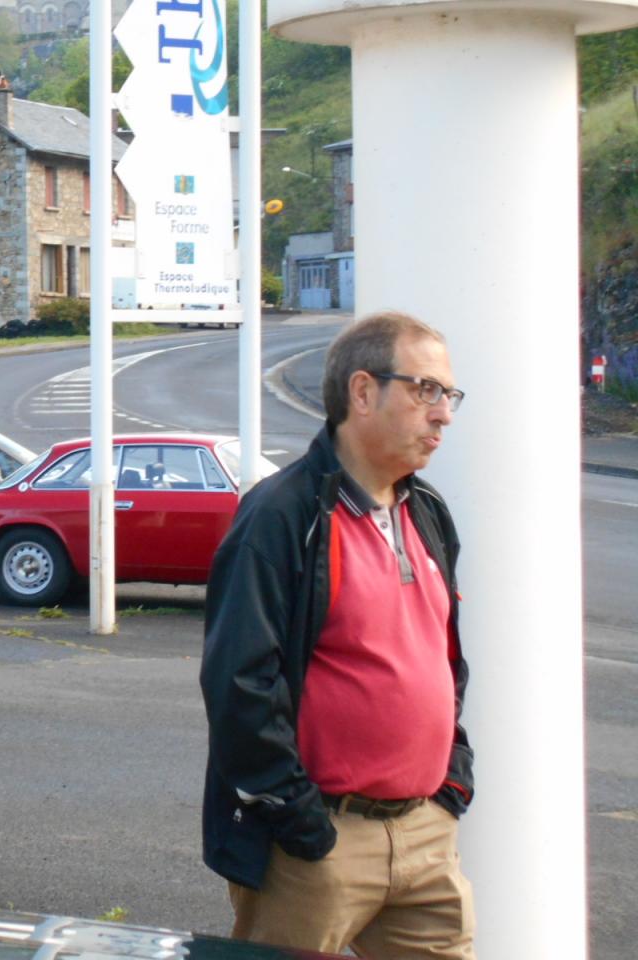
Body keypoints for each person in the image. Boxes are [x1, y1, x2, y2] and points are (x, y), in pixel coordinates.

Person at [200, 312, 475, 958]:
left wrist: (451, 781)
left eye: (447, 396)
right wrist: (298, 819)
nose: (443, 415)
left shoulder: (426, 510)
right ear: (361, 391)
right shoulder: (281, 515)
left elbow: (444, 658)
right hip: (319, 844)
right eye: (425, 390)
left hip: (425, 837)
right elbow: (239, 681)